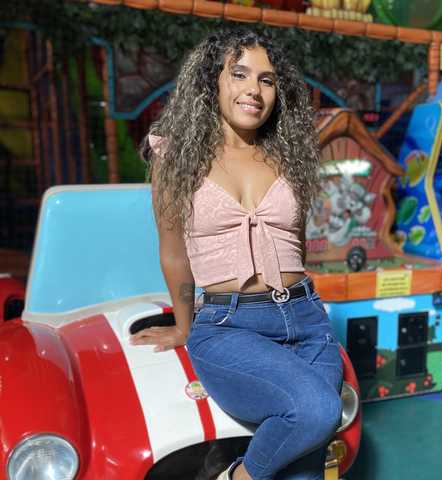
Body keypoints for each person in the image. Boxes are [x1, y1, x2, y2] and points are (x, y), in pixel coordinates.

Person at [130, 29, 343, 480]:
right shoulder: (176, 156)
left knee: (306, 467)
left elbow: (295, 245)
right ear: (212, 81)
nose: (254, 90)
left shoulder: (290, 155)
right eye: (239, 74)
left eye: (267, 80)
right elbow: (174, 254)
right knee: (317, 410)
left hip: (306, 318)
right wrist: (184, 326)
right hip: (230, 325)